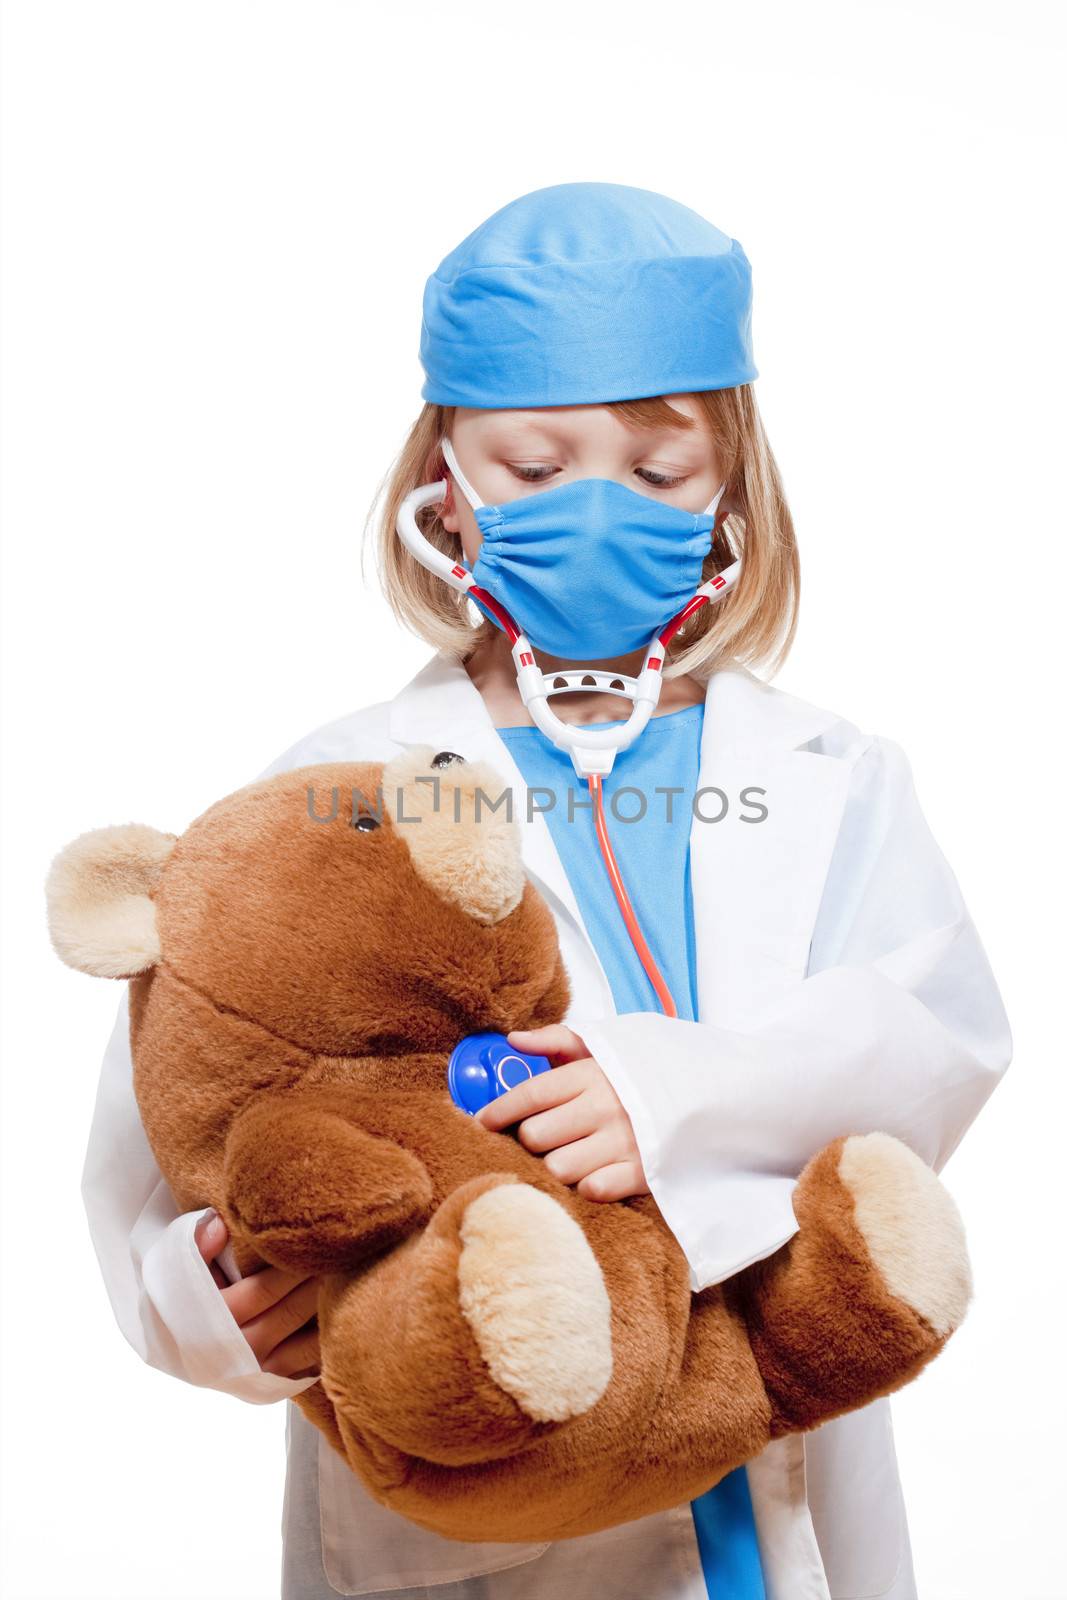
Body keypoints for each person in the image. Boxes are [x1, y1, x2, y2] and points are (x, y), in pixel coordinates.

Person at [81, 182, 1012, 1600]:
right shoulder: (349, 782)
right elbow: (171, 1132)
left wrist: (667, 1097)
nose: (596, 514)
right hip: (470, 1504)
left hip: (776, 1483)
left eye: (656, 474)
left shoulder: (829, 773)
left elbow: (933, 1035)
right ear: (440, 485)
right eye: (531, 466)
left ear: (735, 492)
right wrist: (212, 1299)